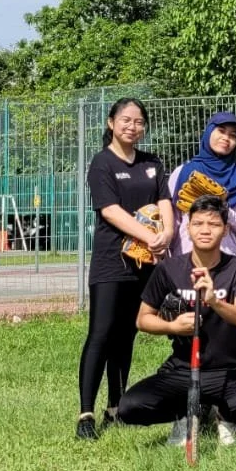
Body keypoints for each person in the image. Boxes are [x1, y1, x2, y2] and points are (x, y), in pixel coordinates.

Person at [118, 194, 236, 444]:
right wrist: (172, 326)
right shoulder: (169, 268)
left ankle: (223, 414)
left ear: (226, 229)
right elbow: (143, 319)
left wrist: (214, 301)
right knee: (130, 407)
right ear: (187, 228)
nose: (205, 230)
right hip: (182, 368)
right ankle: (187, 413)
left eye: (214, 224)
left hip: (228, 370)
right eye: (198, 224)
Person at [77, 97, 174, 441]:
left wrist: (167, 233)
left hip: (146, 263)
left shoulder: (152, 162)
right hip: (111, 261)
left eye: (139, 122)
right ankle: (86, 413)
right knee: (101, 333)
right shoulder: (102, 163)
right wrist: (150, 234)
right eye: (126, 120)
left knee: (127, 335)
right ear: (111, 123)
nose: (132, 127)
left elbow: (166, 202)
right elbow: (109, 211)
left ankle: (115, 406)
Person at [168, 111, 236, 255]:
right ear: (208, 132)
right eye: (221, 131)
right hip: (186, 256)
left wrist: (222, 205)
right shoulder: (184, 171)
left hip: (226, 259)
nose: (226, 138)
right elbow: (172, 221)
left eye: (233, 135)